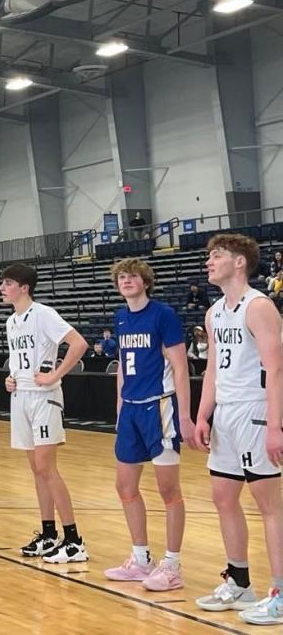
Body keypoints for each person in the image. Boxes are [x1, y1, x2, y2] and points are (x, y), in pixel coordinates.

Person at [194, 233, 283, 625]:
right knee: (223, 497)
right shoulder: (214, 313)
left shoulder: (259, 306)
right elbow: (212, 368)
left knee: (269, 506)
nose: (209, 261)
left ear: (240, 262)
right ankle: (240, 581)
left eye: (217, 256)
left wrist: (276, 425)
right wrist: (202, 415)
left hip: (255, 411)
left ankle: (280, 593)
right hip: (226, 415)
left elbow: (276, 368)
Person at [103, 258, 196, 591]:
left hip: (160, 407)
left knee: (168, 490)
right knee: (124, 486)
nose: (126, 281)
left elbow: (181, 368)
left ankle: (172, 565)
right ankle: (141, 560)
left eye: (132, 276)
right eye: (122, 277)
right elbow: (124, 368)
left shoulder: (163, 315)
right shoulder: (121, 317)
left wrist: (185, 415)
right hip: (130, 410)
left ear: (145, 281)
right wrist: (119, 404)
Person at [0, 263, 90, 564]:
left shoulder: (43, 314)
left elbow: (78, 343)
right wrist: (11, 378)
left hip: (43, 398)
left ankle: (74, 540)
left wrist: (56, 375)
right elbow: (19, 360)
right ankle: (49, 533)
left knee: (47, 467)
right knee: (37, 469)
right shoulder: (12, 321)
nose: (2, 288)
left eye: (8, 283)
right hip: (21, 396)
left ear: (24, 287)